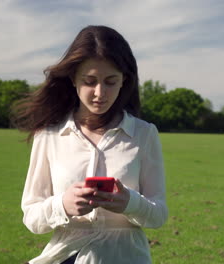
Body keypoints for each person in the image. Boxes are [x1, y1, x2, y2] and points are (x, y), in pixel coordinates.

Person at [12, 25, 167, 264]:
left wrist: (130, 203)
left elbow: (158, 215)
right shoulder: (48, 135)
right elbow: (32, 218)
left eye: (110, 82)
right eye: (90, 81)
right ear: (73, 78)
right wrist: (63, 204)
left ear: (124, 81)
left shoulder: (144, 134)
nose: (99, 93)